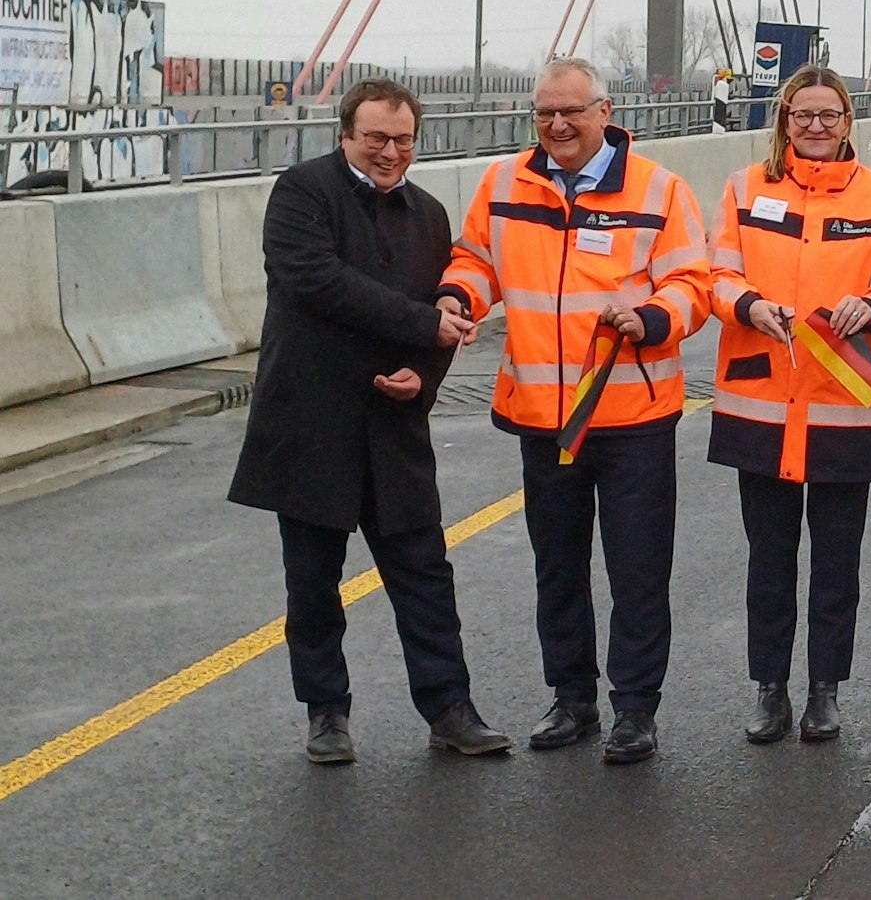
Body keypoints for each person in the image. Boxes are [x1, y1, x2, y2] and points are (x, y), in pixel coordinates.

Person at [439, 56, 712, 765]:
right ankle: (571, 698)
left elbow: (694, 285)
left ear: (604, 112)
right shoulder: (504, 184)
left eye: (571, 112)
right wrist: (459, 299)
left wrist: (651, 317)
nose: (557, 125)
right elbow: (475, 260)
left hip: (631, 417)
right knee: (556, 567)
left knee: (637, 570)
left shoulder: (660, 189)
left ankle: (635, 709)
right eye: (544, 113)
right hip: (542, 414)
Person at [229, 78, 510, 764]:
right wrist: (422, 325)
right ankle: (326, 712)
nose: (391, 152)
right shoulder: (301, 193)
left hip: (394, 428)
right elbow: (317, 280)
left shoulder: (429, 214)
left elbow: (446, 314)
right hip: (310, 424)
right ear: (346, 135)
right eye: (377, 138)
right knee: (313, 584)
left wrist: (424, 374)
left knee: (425, 575)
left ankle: (450, 707)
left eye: (404, 140)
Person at [706, 66, 871, 744]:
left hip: (842, 405)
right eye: (803, 115)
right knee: (768, 559)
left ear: (848, 122)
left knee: (836, 562)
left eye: (829, 115)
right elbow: (717, 276)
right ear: (785, 121)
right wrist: (748, 305)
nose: (816, 126)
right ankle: (770, 688)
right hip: (762, 404)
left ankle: (826, 689)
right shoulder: (745, 188)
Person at [711, 68, 734, 134]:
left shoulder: (721, 84)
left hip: (722, 106)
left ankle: (720, 126)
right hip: (722, 106)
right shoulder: (722, 84)